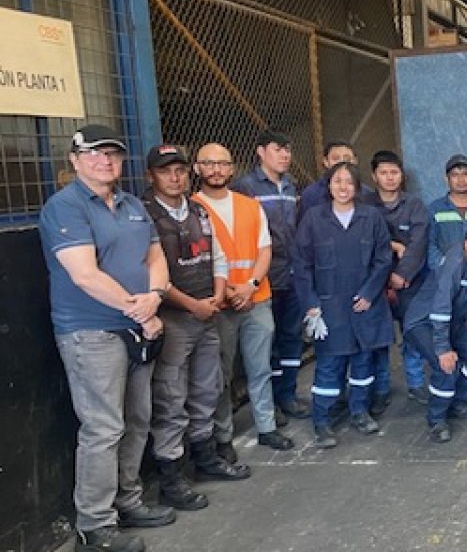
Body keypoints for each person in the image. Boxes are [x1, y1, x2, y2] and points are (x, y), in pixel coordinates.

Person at [39, 125, 175, 552]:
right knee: (103, 427)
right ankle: (94, 527)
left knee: (137, 418)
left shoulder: (133, 204)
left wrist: (153, 298)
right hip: (90, 331)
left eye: (113, 154)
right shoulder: (65, 207)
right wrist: (139, 309)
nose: (106, 161)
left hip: (137, 326)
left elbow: (156, 257)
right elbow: (84, 274)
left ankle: (127, 502)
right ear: (75, 160)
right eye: (95, 154)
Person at [142, 145, 249, 515]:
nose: (174, 177)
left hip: (208, 312)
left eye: (179, 170)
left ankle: (204, 459)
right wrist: (192, 304)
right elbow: (150, 272)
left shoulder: (198, 211)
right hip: (174, 317)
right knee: (171, 399)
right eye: (165, 170)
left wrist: (218, 295)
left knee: (208, 388)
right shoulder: (144, 215)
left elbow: (217, 256)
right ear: (150, 176)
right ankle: (171, 478)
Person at [193, 143, 294, 452]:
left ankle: (266, 427)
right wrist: (226, 293)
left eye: (223, 163)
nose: (216, 170)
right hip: (218, 305)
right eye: (208, 163)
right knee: (220, 375)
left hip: (256, 297)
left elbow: (265, 249)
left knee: (260, 368)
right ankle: (223, 437)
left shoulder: (250, 206)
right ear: (197, 168)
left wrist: (250, 285)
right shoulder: (192, 208)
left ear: (232, 168)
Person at [293, 162, 395, 448]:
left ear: (358, 187)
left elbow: (383, 259)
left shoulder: (371, 217)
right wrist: (311, 305)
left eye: (349, 182)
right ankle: (322, 420)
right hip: (329, 307)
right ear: (328, 185)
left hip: (365, 305)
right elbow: (301, 265)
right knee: (329, 365)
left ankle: (359, 411)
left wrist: (370, 293)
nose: (343, 187)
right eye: (337, 181)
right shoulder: (314, 219)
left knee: (364, 361)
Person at [231, 130, 308, 422]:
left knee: (291, 337)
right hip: (263, 277)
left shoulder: (291, 186)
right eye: (278, 149)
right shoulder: (246, 187)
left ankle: (287, 395)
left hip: (293, 274)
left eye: (288, 150)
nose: (285, 155)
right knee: (267, 343)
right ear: (261, 152)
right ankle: (269, 401)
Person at [403, 223, 467, 443]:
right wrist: (443, 349)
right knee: (447, 367)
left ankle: (455, 400)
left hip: (453, 322)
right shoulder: (454, 264)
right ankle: (437, 419)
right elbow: (440, 308)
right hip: (424, 322)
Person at [363, 150, 430, 415]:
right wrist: (383, 275)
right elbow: (362, 242)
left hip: (408, 282)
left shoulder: (414, 205)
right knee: (378, 338)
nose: (390, 178)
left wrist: (401, 275)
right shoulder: (364, 206)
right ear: (374, 176)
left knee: (412, 332)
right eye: (383, 173)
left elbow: (418, 244)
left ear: (401, 176)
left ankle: (415, 382)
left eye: (394, 172)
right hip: (374, 284)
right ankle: (380, 389)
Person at [297, 140, 356, 221]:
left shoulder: (366, 193)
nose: (342, 162)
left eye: (347, 158)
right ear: (326, 162)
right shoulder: (311, 194)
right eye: (336, 159)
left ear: (355, 161)